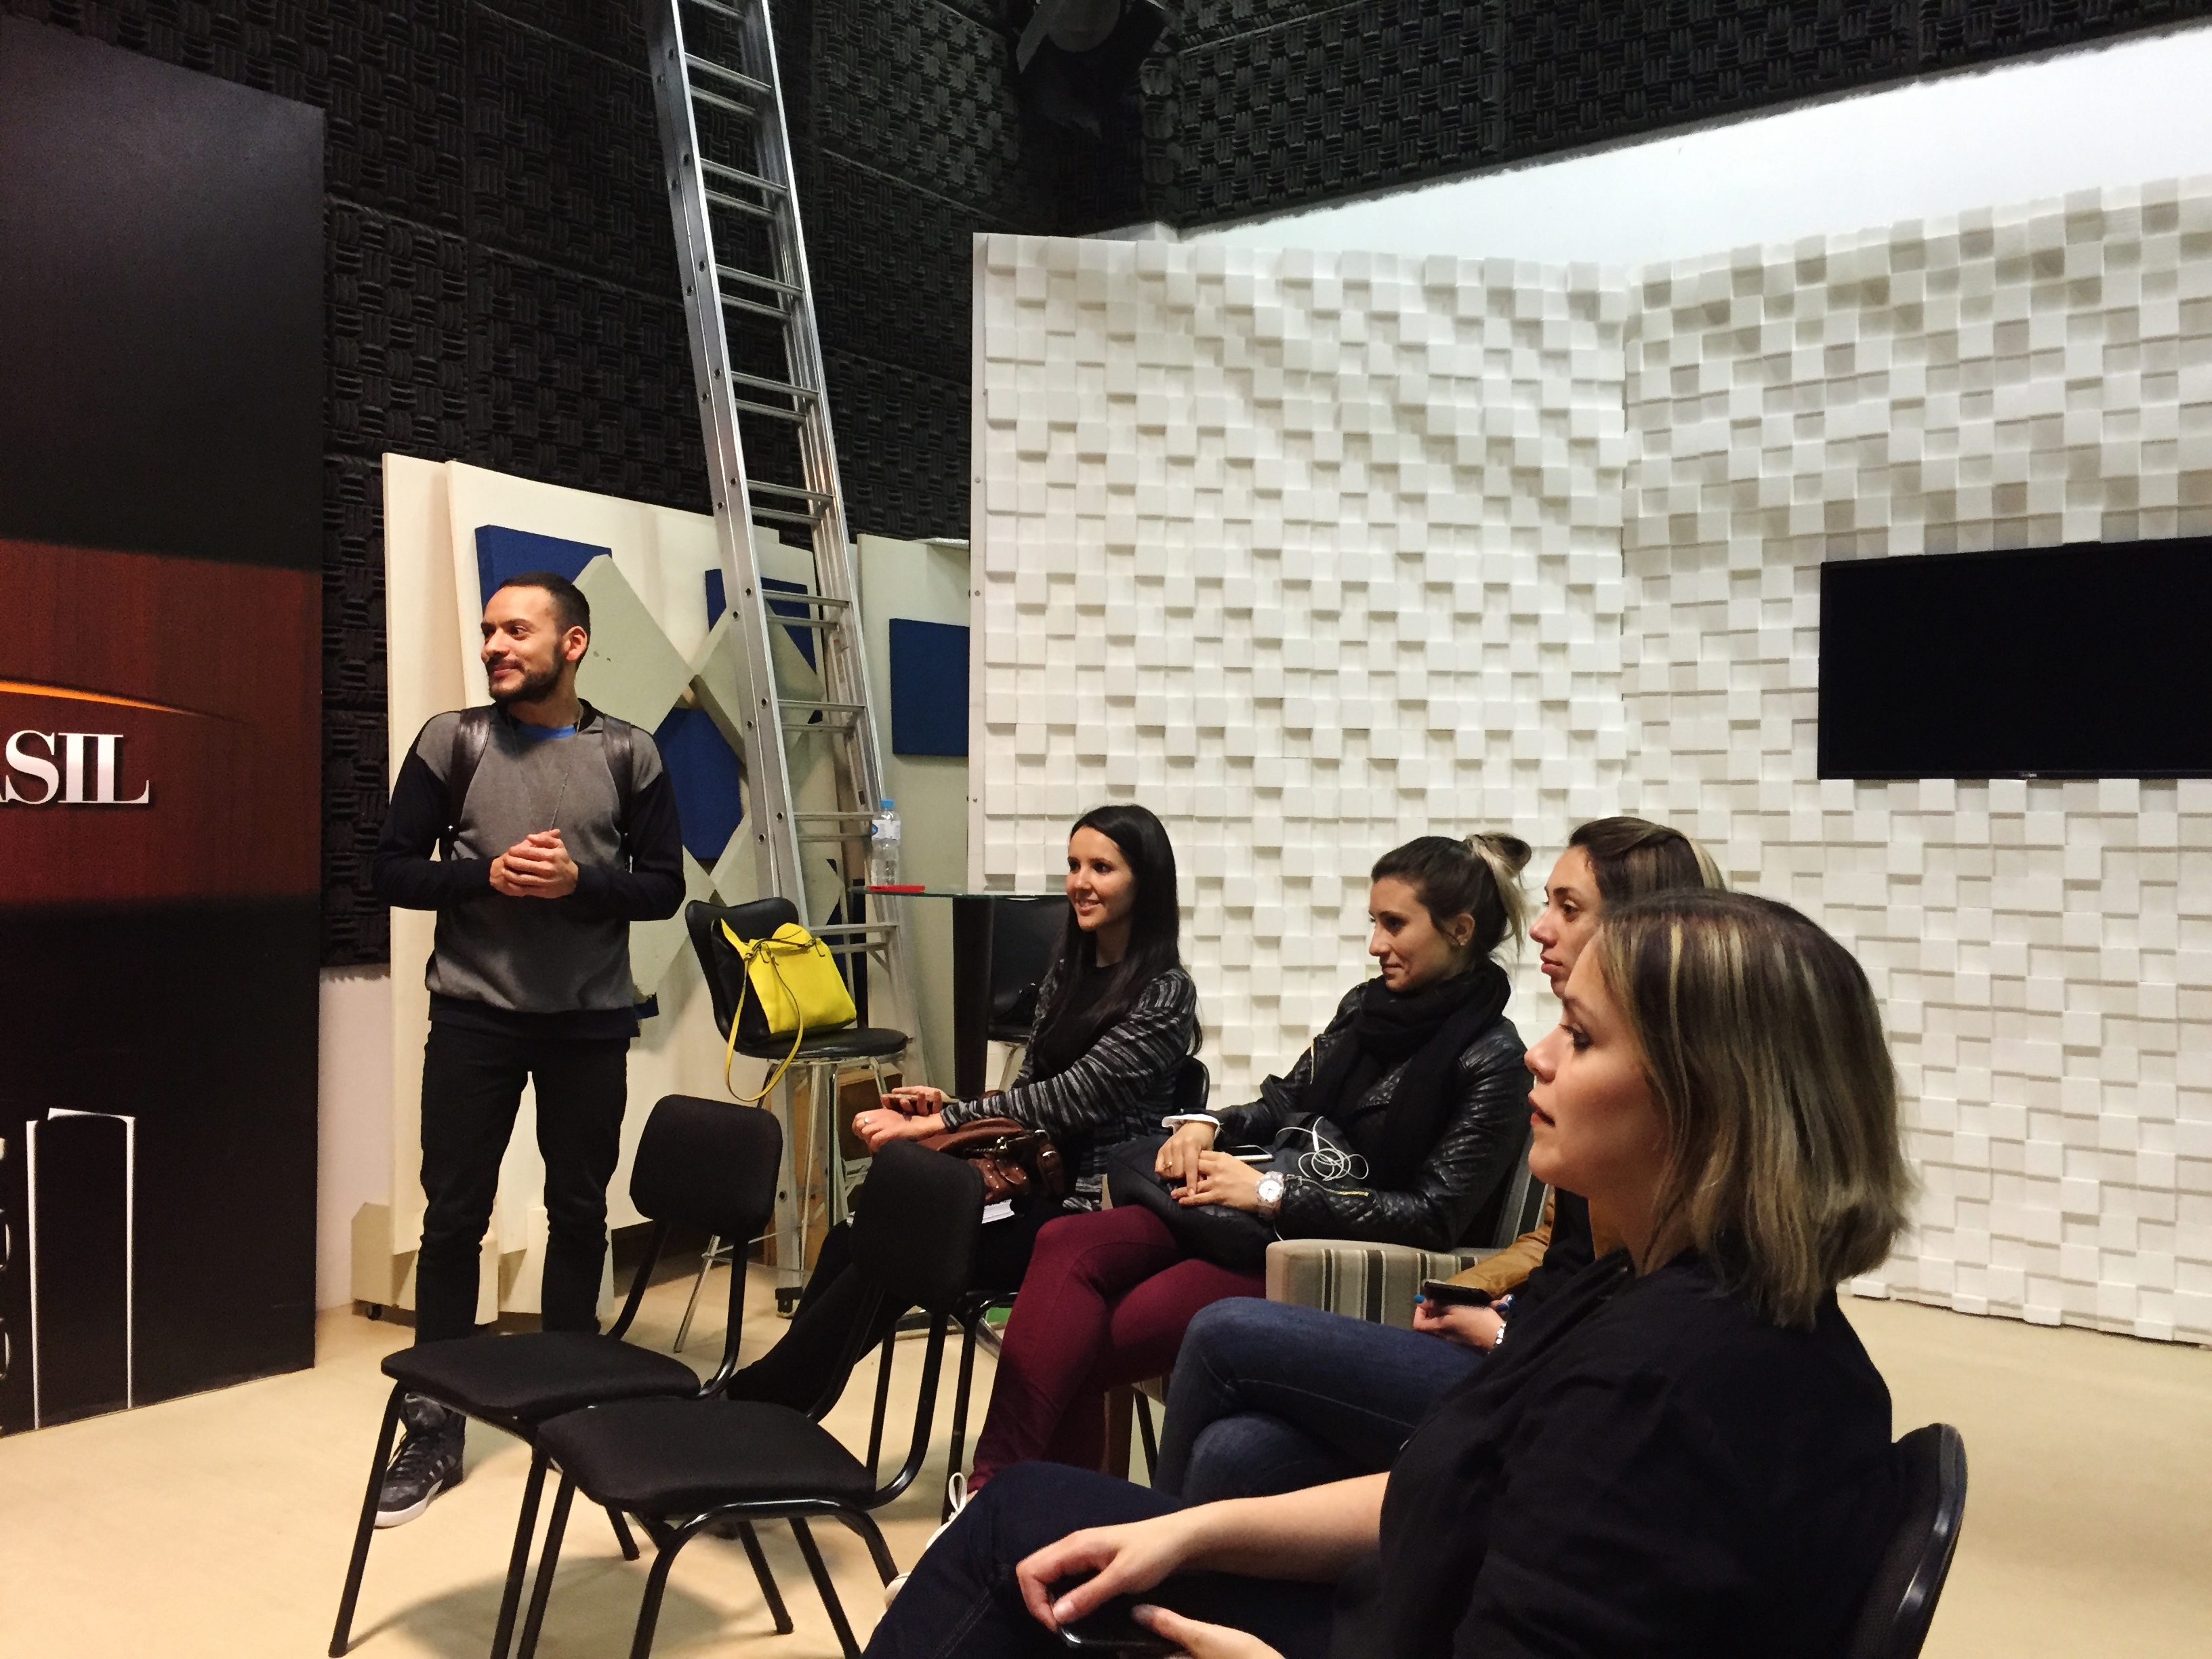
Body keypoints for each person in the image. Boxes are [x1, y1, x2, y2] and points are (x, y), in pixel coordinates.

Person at [865, 888, 1915, 1659]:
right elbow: (1454, 1486)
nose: (1544, 1056)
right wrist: (1183, 1530)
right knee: (1095, 1473)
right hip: (1408, 1605)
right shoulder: (1647, 1293)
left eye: (1583, 1036)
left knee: (1024, 1525)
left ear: (1708, 1104)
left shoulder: (1663, 1385)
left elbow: (1432, 1216)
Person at [1154, 816, 1723, 1501]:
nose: (1540, 928)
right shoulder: (1364, 1011)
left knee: (1220, 1330)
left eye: (1567, 908)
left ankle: (1142, 1548)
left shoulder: (1524, 1065)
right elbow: (1556, 1251)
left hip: (1538, 1373)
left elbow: (1630, 1324)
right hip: (1516, 1338)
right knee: (1236, 1450)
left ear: (1646, 930)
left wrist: (1505, 1332)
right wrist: (1474, 1294)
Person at [961, 833, 1535, 1491]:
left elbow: (1434, 1216)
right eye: (1373, 922)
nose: (1376, 944)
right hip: (1250, 1222)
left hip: (1312, 1253)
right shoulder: (1365, 1006)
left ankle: (1023, 1504)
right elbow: (1283, 1102)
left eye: (1394, 925)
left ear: (1460, 930)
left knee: (1088, 1343)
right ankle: (993, 1494)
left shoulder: (1494, 1061)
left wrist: (1271, 1193)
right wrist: (1205, 1126)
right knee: (1066, 1239)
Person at [368, 571, 685, 1525]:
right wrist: (485, 878)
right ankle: (433, 1423)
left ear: (571, 644)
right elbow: (390, 870)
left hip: (589, 1021)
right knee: (453, 1219)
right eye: (488, 632)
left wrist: (578, 883)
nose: (495, 647)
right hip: (475, 1018)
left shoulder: (630, 752)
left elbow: (663, 888)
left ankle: (571, 1405)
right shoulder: (451, 741)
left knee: (579, 1212)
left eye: (516, 631)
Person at [725, 802, 1200, 1412]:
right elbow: (1026, 1091)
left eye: (1101, 868)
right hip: (1029, 1185)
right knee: (853, 1236)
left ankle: (760, 1405)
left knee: (901, 1246)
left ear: (1145, 881)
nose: (1080, 882)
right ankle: (774, 1410)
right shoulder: (1067, 974)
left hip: (1087, 1213)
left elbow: (1072, 1098)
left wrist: (940, 1120)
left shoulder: (1166, 994)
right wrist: (953, 1105)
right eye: (1074, 865)